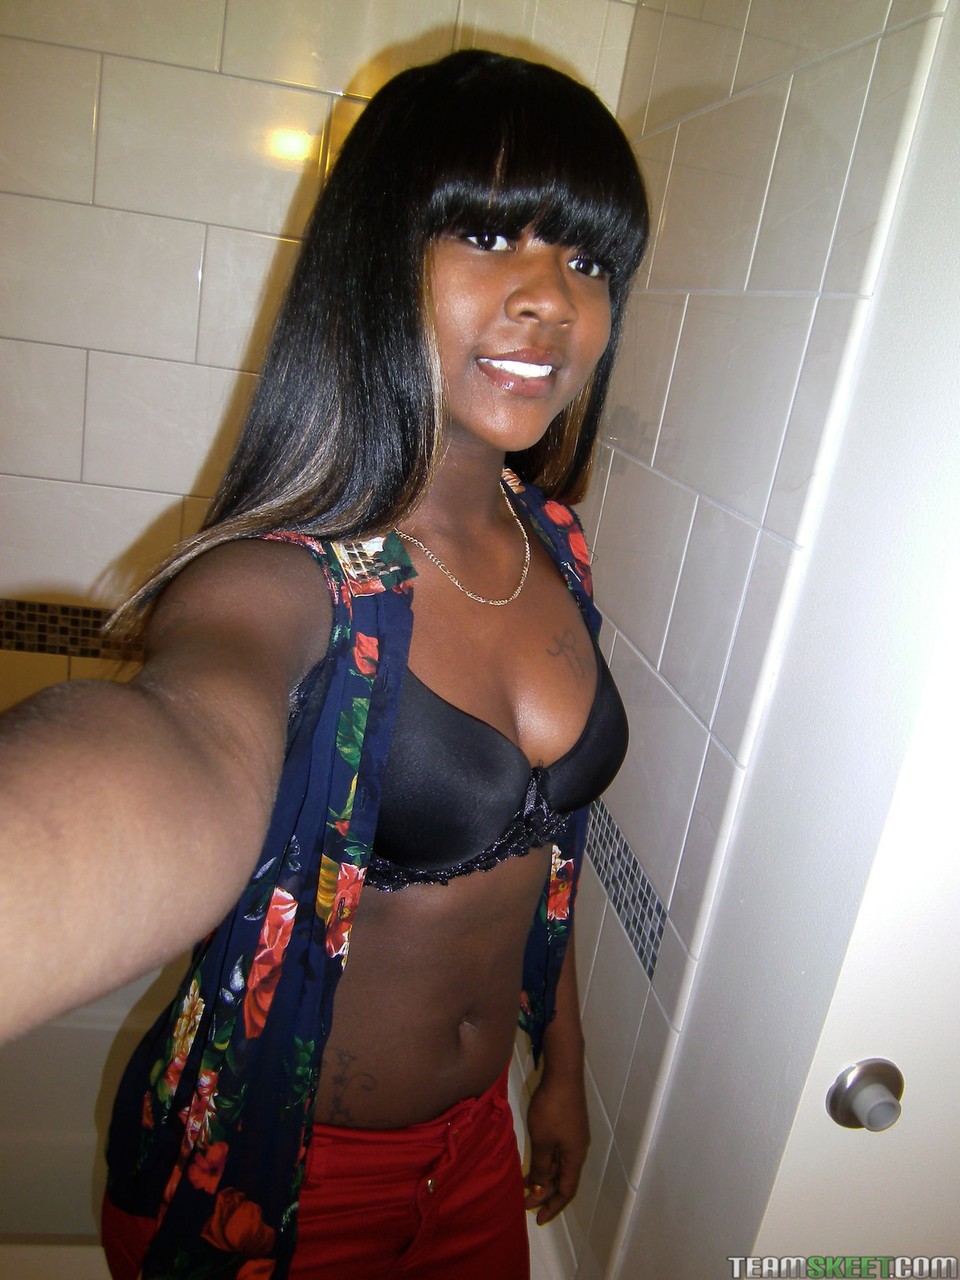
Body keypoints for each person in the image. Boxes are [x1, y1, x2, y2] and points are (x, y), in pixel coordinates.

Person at [0, 48, 647, 1279]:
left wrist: (560, 1066)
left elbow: (546, 861)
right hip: (276, 1182)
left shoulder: (553, 543)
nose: (552, 298)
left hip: (473, 1150)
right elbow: (190, 732)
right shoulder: (281, 581)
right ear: (376, 258)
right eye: (486, 235)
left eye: (588, 260)